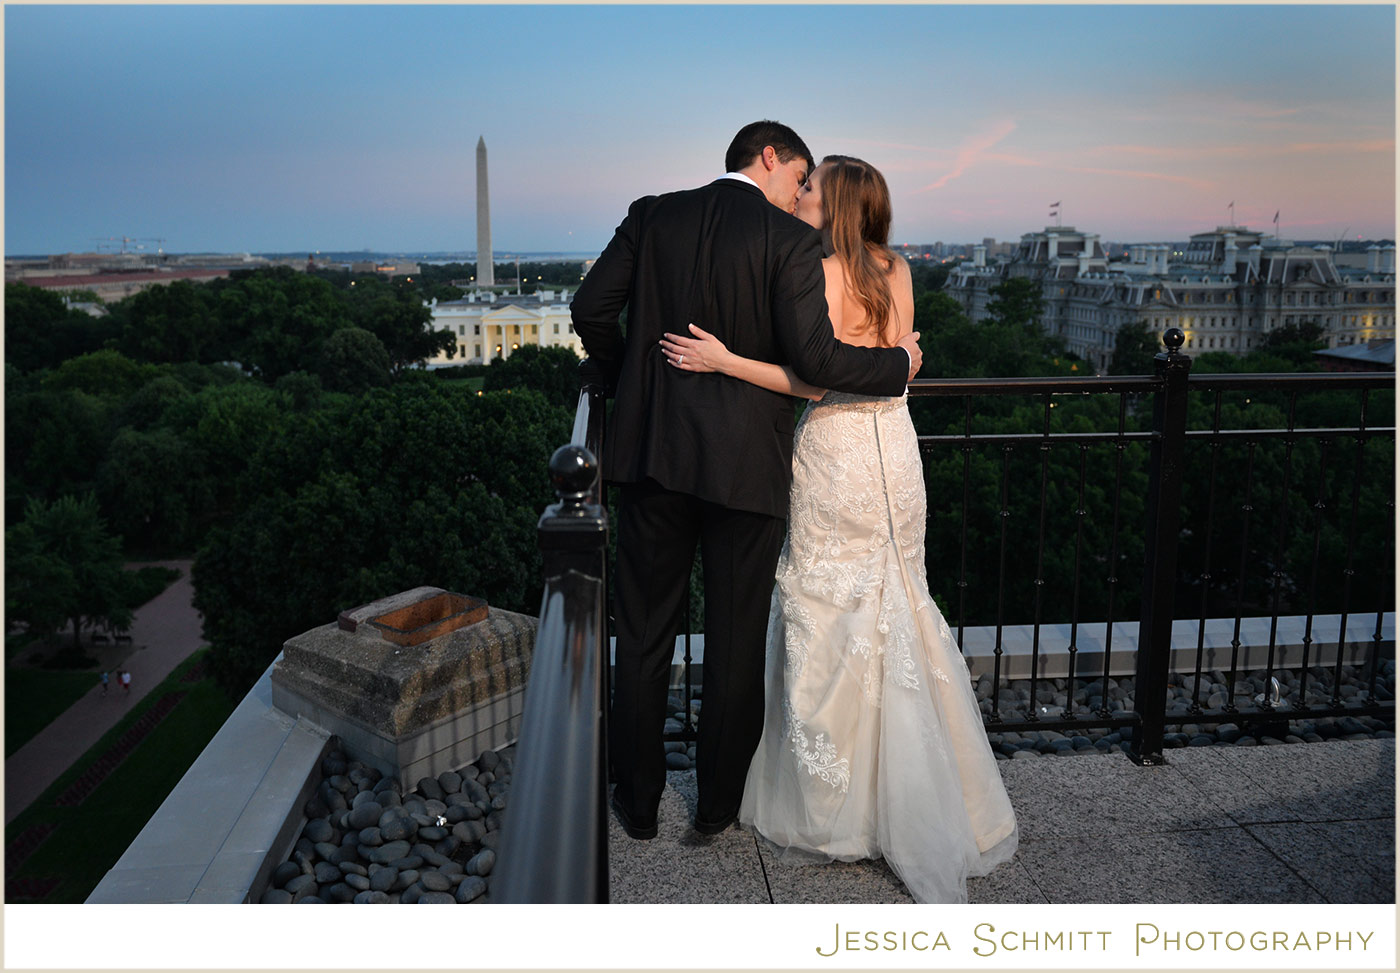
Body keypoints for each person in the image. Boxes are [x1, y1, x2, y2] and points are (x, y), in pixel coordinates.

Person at [658, 155, 1018, 902]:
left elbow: (815, 379)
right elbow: (897, 365)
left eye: (812, 188)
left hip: (836, 450)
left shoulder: (815, 270)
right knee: (899, 604)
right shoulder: (900, 269)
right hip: (895, 450)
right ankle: (925, 793)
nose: (802, 196)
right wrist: (897, 359)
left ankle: (840, 803)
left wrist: (726, 360)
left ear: (838, 204)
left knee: (824, 609)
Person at [571, 122, 923, 840]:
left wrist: (616, 374)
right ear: (771, 157)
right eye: (800, 176)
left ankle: (636, 804)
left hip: (652, 458)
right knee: (734, 639)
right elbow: (817, 360)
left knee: (641, 633)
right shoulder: (788, 242)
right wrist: (899, 367)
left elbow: (589, 310)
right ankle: (716, 805)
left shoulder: (652, 212)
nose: (801, 191)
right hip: (745, 467)